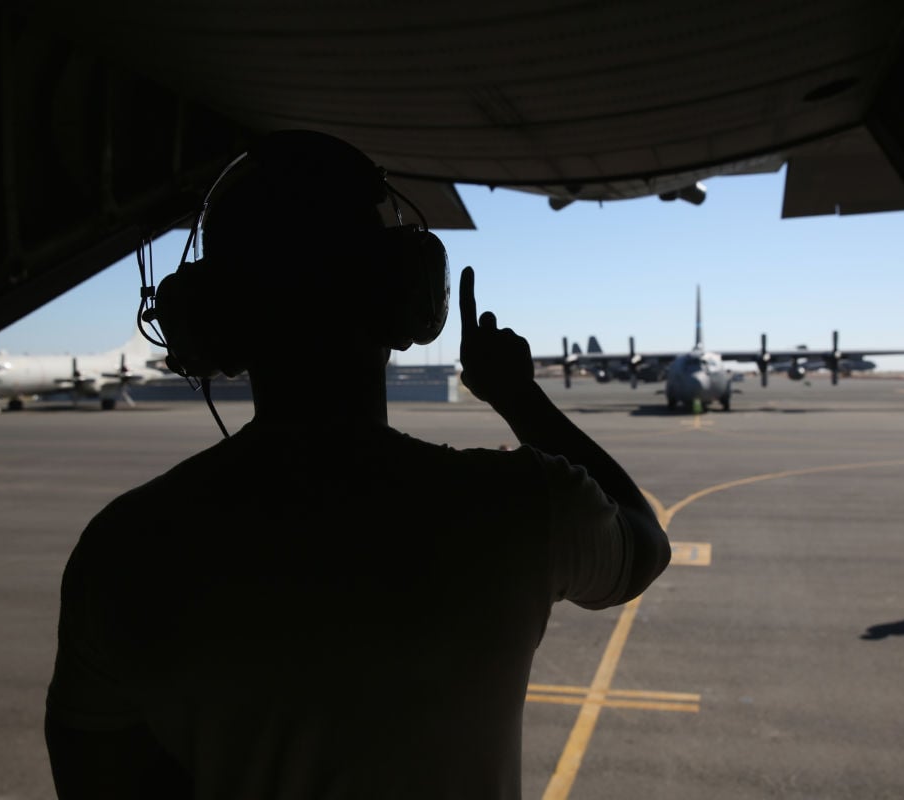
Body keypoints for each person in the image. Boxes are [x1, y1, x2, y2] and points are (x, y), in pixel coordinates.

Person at [43, 129, 670, 799]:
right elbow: (644, 545)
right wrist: (519, 396)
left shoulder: (126, 549)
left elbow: (96, 774)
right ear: (408, 301)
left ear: (206, 324)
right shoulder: (520, 506)